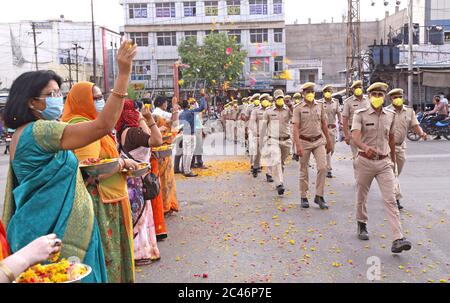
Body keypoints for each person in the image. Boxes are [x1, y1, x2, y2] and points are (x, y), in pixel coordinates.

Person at [1, 39, 137, 283]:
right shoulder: (40, 130)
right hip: (56, 237)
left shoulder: (23, 133)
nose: (58, 99)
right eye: (51, 94)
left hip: (40, 230)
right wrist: (123, 74)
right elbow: (103, 125)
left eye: (59, 93)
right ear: (32, 102)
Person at [61, 82, 140, 283]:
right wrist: (121, 163)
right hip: (100, 201)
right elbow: (89, 170)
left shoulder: (92, 124)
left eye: (100, 97)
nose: (100, 102)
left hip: (106, 196)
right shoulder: (84, 126)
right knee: (109, 256)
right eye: (94, 98)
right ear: (81, 101)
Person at [351, 82, 412, 253]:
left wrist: (392, 161)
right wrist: (365, 147)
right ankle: (361, 223)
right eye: (374, 94)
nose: (377, 97)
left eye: (380, 94)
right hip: (365, 161)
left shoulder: (390, 115)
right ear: (369, 96)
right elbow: (354, 136)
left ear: (384, 97)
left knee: (390, 199)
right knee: (362, 195)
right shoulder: (360, 114)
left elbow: (391, 139)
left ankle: (398, 238)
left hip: (384, 162)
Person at [115, 99, 163, 266]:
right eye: (135, 111)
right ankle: (139, 253)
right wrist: (147, 119)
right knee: (140, 216)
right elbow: (157, 140)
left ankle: (142, 251)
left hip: (132, 180)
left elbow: (149, 137)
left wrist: (143, 119)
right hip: (136, 180)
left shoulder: (123, 131)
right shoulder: (132, 133)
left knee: (139, 215)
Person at [292, 82, 333, 209]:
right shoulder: (298, 108)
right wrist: (297, 146)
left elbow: (324, 124)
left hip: (318, 141)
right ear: (303, 93)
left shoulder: (320, 106)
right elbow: (295, 128)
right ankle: (303, 196)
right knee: (304, 170)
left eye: (311, 91)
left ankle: (319, 196)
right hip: (304, 142)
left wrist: (329, 141)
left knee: (322, 167)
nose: (310, 94)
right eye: (307, 91)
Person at [386, 88, 427, 210]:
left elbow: (415, 125)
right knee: (393, 172)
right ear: (391, 99)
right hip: (388, 147)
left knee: (397, 172)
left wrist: (421, 134)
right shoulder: (386, 112)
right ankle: (396, 198)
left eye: (399, 96)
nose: (397, 99)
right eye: (395, 97)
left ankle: (390, 190)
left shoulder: (409, 111)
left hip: (401, 146)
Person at [152, 96, 181, 214]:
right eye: (165, 103)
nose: (166, 105)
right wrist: (174, 106)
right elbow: (173, 121)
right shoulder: (157, 114)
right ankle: (164, 206)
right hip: (159, 151)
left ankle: (167, 204)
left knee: (166, 179)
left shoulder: (158, 114)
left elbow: (172, 123)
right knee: (163, 180)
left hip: (163, 150)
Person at [262, 90, 293, 196]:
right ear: (274, 99)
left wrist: (291, 106)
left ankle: (279, 180)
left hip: (286, 140)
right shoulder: (268, 111)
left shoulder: (288, 110)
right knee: (276, 160)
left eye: (281, 98)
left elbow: (296, 118)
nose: (280, 100)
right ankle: (279, 184)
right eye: (278, 98)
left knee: (282, 162)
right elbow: (263, 127)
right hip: (273, 140)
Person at [342, 80, 370, 171]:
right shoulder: (348, 102)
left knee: (366, 155)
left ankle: (363, 177)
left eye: (360, 87)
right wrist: (346, 135)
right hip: (354, 132)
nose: (358, 89)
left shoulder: (369, 99)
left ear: (363, 88)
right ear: (352, 90)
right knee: (357, 156)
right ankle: (358, 177)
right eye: (355, 88)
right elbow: (345, 119)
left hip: (368, 132)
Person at [179, 97, 207, 177]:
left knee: (185, 153)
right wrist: (202, 98)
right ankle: (187, 171)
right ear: (188, 105)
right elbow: (202, 107)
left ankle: (185, 170)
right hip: (191, 135)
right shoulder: (191, 112)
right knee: (189, 154)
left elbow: (180, 126)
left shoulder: (181, 114)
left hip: (184, 135)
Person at [319, 85, 342, 179]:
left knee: (331, 149)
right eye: (326, 91)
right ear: (324, 93)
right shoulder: (319, 103)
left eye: (329, 91)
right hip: (322, 129)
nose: (328, 92)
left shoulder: (335, 102)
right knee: (326, 149)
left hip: (332, 128)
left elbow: (339, 113)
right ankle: (328, 169)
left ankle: (324, 163)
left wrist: (341, 123)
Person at [249, 94, 271, 179]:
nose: (265, 101)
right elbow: (252, 122)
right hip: (258, 135)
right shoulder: (256, 111)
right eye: (264, 99)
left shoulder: (271, 110)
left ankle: (269, 174)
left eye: (267, 99)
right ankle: (255, 167)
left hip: (269, 135)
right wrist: (255, 132)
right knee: (258, 154)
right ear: (261, 101)